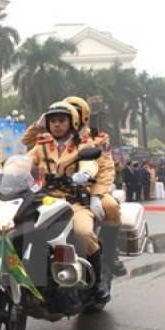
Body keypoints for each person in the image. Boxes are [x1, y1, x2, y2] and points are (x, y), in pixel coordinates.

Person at [27, 101, 110, 303]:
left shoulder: (84, 145)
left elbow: (90, 163)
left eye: (61, 121)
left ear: (71, 122)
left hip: (73, 202)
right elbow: (24, 161)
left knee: (83, 232)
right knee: (18, 226)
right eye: (53, 121)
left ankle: (98, 282)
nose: (56, 125)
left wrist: (84, 174)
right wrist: (2, 172)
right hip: (44, 200)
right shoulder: (42, 146)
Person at [62, 95, 127, 276]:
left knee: (110, 206)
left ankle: (110, 253)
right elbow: (29, 145)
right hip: (62, 190)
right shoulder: (54, 138)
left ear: (82, 116)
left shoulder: (96, 138)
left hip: (92, 186)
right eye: (66, 114)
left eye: (73, 113)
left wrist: (97, 194)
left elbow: (105, 168)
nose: (69, 118)